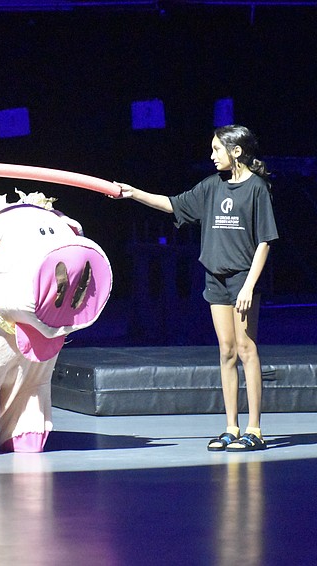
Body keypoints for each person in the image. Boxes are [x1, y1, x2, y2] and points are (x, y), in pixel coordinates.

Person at [113, 124, 278, 452]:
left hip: (242, 278)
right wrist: (134, 193)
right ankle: (231, 427)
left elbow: (265, 242)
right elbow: (173, 204)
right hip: (215, 278)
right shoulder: (211, 187)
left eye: (217, 149)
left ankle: (254, 428)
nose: (212, 155)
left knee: (247, 349)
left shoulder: (257, 189)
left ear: (236, 152)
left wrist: (248, 286)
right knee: (226, 351)